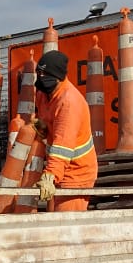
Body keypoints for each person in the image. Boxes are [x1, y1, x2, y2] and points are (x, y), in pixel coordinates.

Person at [33, 50, 98, 212]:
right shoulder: (44, 94)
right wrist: (42, 127)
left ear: (57, 76)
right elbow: (48, 122)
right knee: (55, 228)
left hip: (76, 175)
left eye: (44, 74)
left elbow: (63, 146)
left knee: (66, 231)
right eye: (38, 73)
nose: (40, 78)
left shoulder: (69, 103)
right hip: (59, 171)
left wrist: (50, 177)